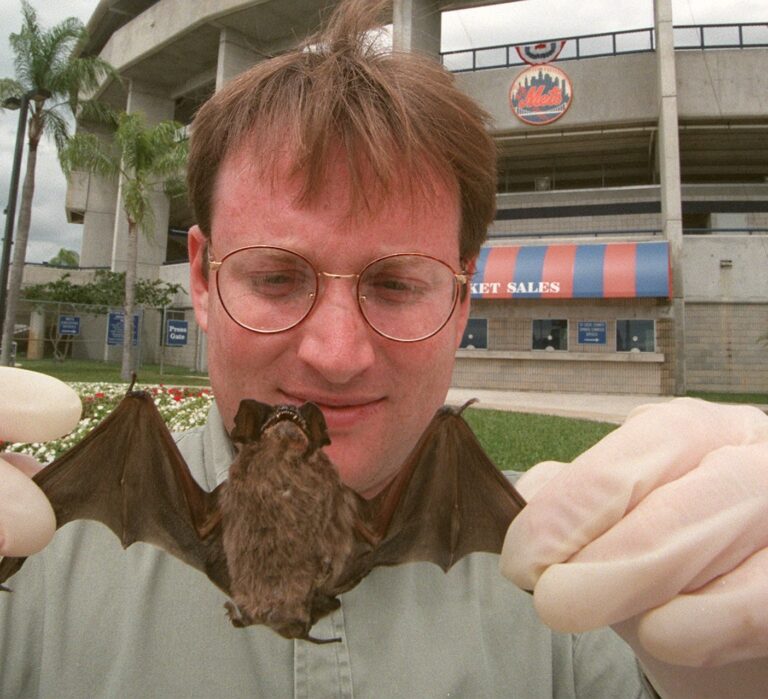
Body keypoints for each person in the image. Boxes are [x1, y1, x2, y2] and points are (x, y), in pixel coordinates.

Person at [2, 1, 767, 696]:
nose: (337, 353)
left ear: (462, 297)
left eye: (397, 285)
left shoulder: (571, 572)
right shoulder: (33, 571)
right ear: (202, 278)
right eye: (275, 277)